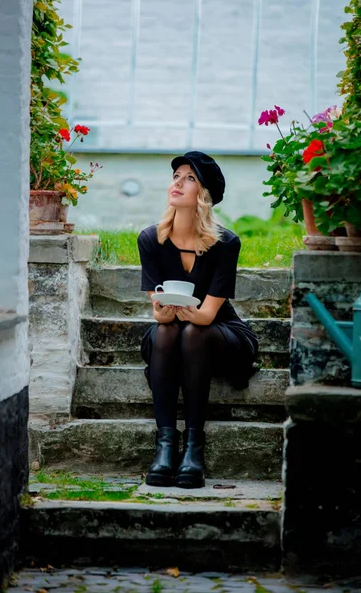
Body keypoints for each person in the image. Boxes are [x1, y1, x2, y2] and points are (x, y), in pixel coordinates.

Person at [137, 151, 259, 489]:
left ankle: (194, 447)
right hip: (175, 335)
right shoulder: (151, 239)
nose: (178, 181)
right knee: (164, 331)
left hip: (221, 334)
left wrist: (186, 315)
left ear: (202, 195)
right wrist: (160, 311)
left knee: (192, 331)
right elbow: (158, 309)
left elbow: (207, 314)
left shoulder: (225, 244)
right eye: (177, 175)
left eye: (189, 177)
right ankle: (165, 446)